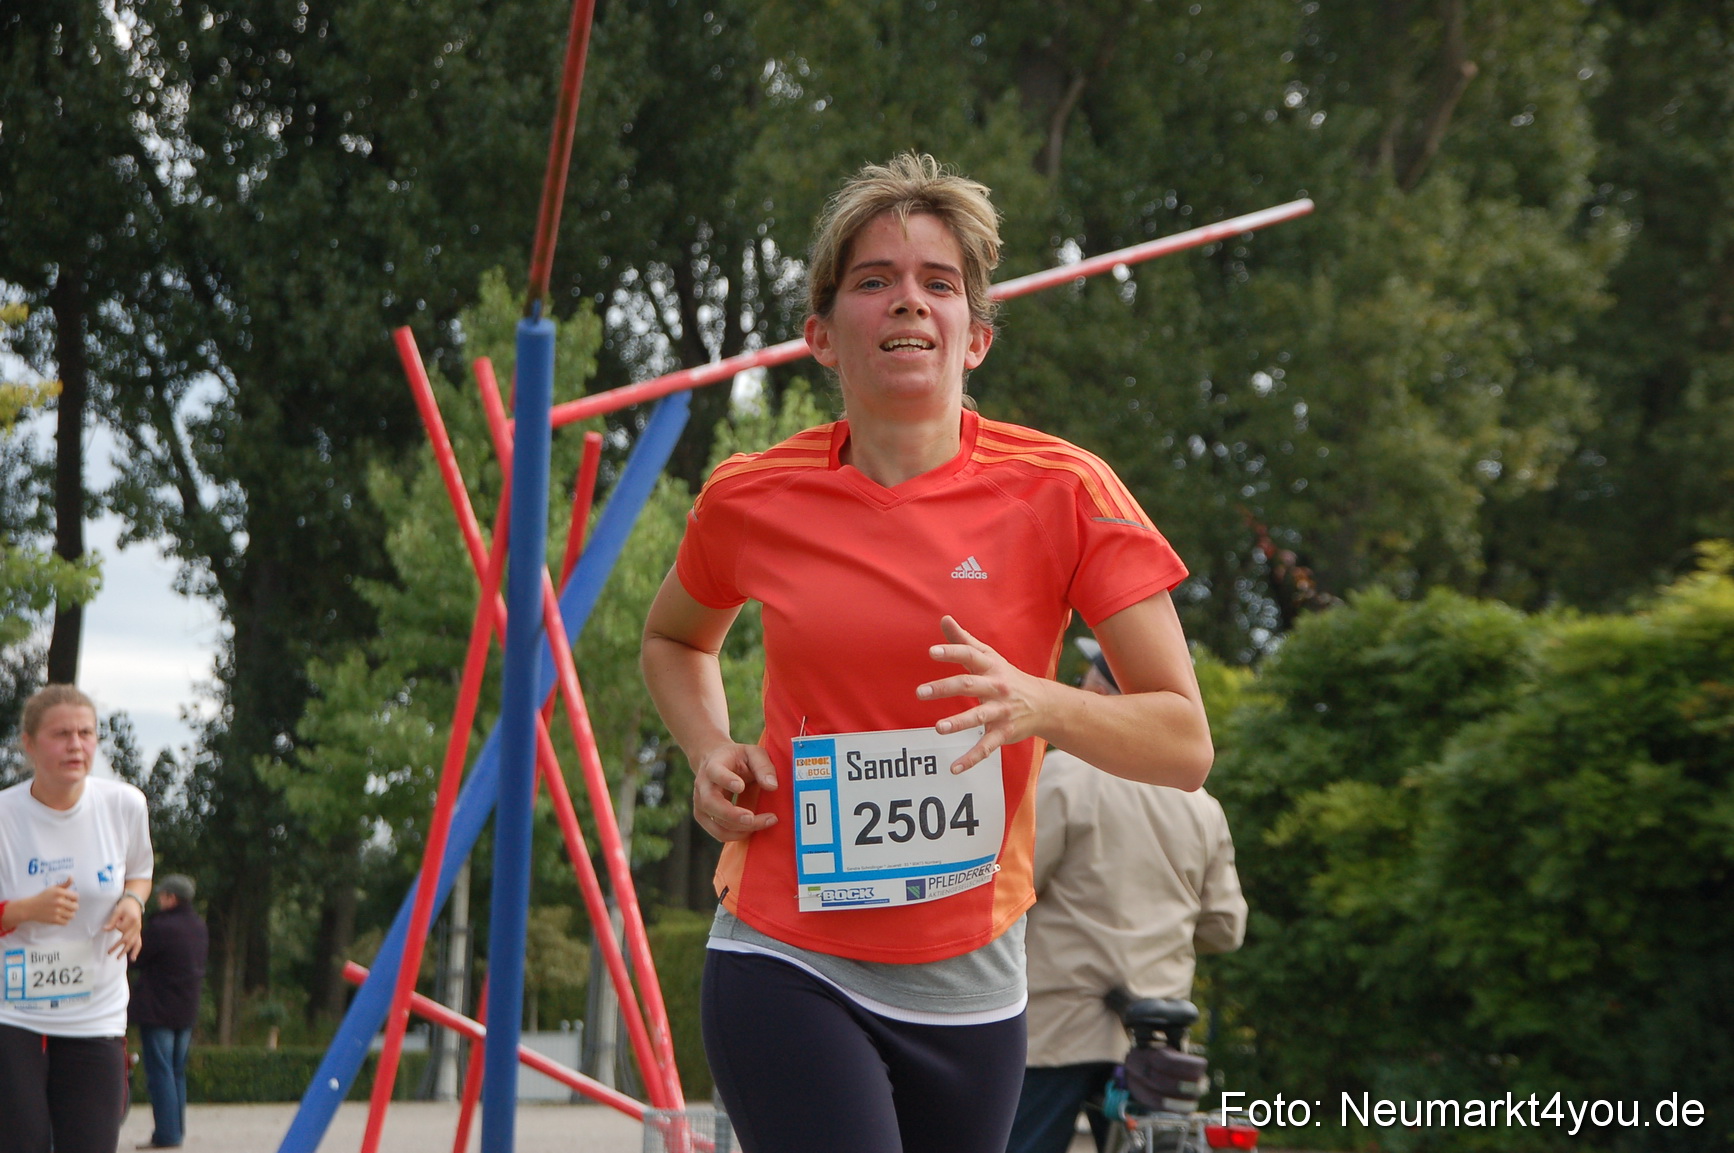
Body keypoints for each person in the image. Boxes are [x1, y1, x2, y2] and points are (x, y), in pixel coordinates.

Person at [641, 153, 1213, 1153]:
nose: (908, 300)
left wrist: (1042, 704)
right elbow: (674, 637)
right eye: (875, 280)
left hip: (973, 976)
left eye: (937, 282)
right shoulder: (750, 498)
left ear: (975, 337)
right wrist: (707, 746)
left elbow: (1183, 742)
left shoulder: (1066, 491)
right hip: (786, 950)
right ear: (822, 336)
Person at [1006, 638, 1246, 1153]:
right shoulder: (1200, 803)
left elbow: (1013, 890)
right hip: (1157, 1037)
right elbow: (1226, 927)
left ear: (1095, 694)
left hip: (1057, 1029)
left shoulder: (1062, 777)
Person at [0, 684, 153, 1153]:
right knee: (21, 1142)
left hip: (96, 1009)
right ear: (28, 743)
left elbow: (140, 872)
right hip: (13, 1010)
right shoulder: (5, 814)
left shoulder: (124, 804)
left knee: (90, 1142)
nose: (76, 745)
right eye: (61, 733)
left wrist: (133, 904)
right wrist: (22, 911)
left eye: (86, 733)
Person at [129, 873, 208, 1149]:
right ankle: (177, 1130)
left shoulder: (161, 928)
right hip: (186, 1011)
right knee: (176, 1072)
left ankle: (166, 1134)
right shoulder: (199, 927)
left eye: (162, 895)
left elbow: (135, 957)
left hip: (158, 1010)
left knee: (160, 1072)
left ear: (170, 898)